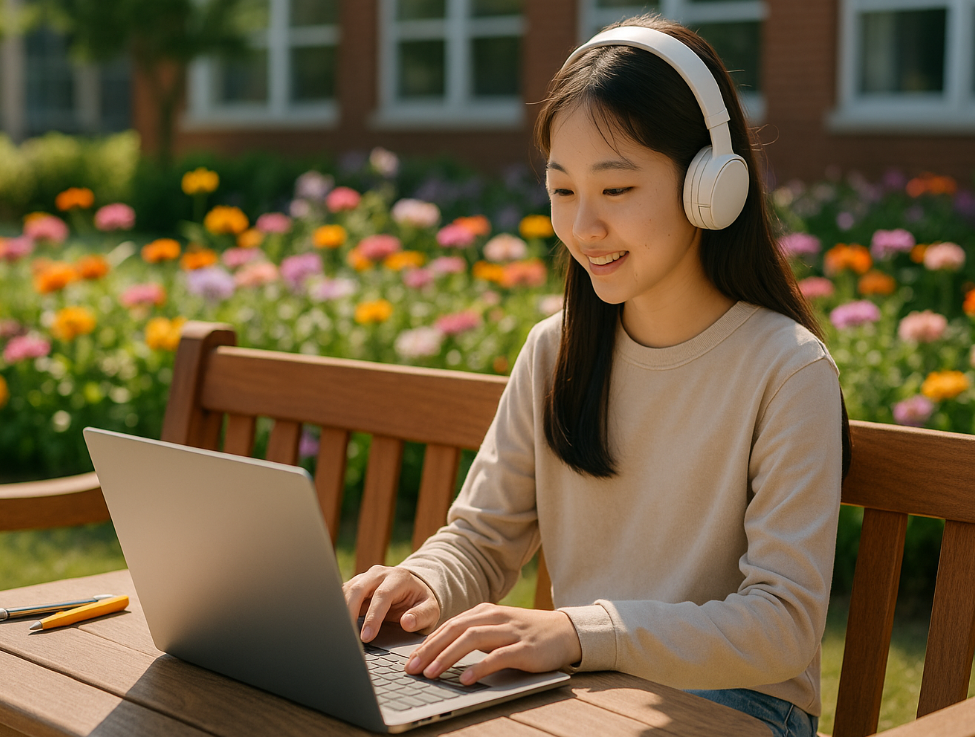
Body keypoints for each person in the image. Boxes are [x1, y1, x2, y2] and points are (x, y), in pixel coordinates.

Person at [343, 13, 850, 737]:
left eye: (615, 191)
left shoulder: (784, 369)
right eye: (561, 190)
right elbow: (481, 539)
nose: (583, 227)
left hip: (735, 706)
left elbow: (782, 625)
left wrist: (581, 632)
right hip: (580, 694)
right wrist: (419, 581)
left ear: (712, 186)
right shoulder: (556, 350)